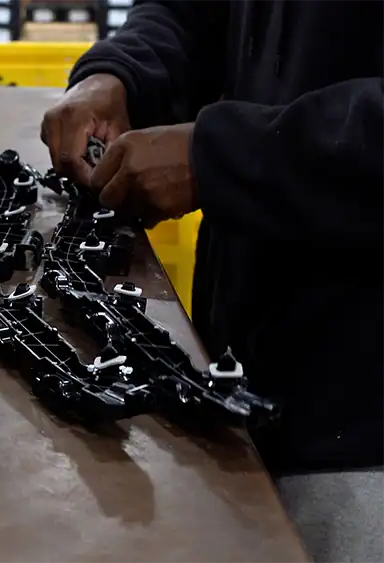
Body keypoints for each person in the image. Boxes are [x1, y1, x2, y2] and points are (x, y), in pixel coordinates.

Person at [40, 1, 384, 474]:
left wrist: (223, 156)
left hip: (362, 434)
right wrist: (119, 74)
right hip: (241, 364)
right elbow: (192, 13)